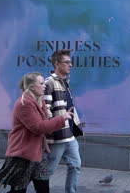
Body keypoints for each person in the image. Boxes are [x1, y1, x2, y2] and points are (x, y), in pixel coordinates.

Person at [0, 72, 73, 193]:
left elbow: (45, 124)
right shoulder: (24, 104)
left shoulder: (39, 101)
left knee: (43, 189)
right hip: (23, 155)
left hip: (39, 154)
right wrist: (61, 119)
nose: (44, 85)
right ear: (31, 86)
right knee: (18, 191)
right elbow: (38, 127)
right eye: (41, 83)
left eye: (44, 83)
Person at [44, 49, 84, 193]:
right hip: (57, 137)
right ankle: (22, 187)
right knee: (47, 171)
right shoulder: (49, 83)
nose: (70, 65)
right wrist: (46, 135)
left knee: (75, 165)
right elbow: (45, 111)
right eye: (67, 62)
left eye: (70, 62)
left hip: (70, 135)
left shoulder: (65, 82)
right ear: (57, 64)